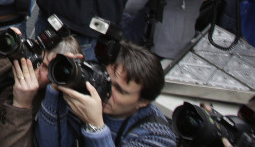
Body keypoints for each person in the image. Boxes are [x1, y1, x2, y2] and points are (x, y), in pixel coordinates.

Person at [35, 41, 177, 147]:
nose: (107, 90)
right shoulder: (86, 95)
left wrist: (96, 127)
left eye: (119, 90)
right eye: (107, 78)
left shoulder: (155, 135)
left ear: (142, 102)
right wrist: (56, 89)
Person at [0, 32, 82, 147]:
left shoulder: (49, 114)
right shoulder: (12, 58)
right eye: (36, 56)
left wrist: (21, 106)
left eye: (46, 67)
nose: (34, 66)